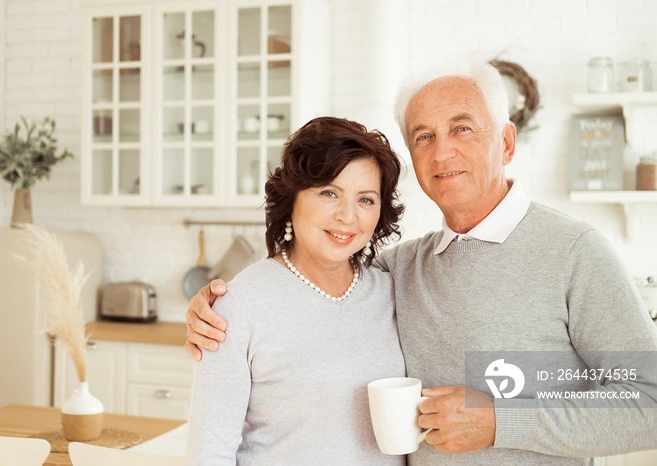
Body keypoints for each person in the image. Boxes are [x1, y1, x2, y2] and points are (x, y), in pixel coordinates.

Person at [186, 63, 657, 465]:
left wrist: (500, 422)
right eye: (423, 136)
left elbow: (649, 404)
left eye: (462, 128)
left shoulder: (575, 251)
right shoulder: (400, 270)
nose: (442, 151)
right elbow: (313, 285)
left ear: (507, 144)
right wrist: (216, 307)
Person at [185, 116, 407, 465]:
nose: (348, 216)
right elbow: (209, 450)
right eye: (329, 193)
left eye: (366, 199)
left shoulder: (391, 291)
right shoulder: (238, 305)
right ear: (292, 199)